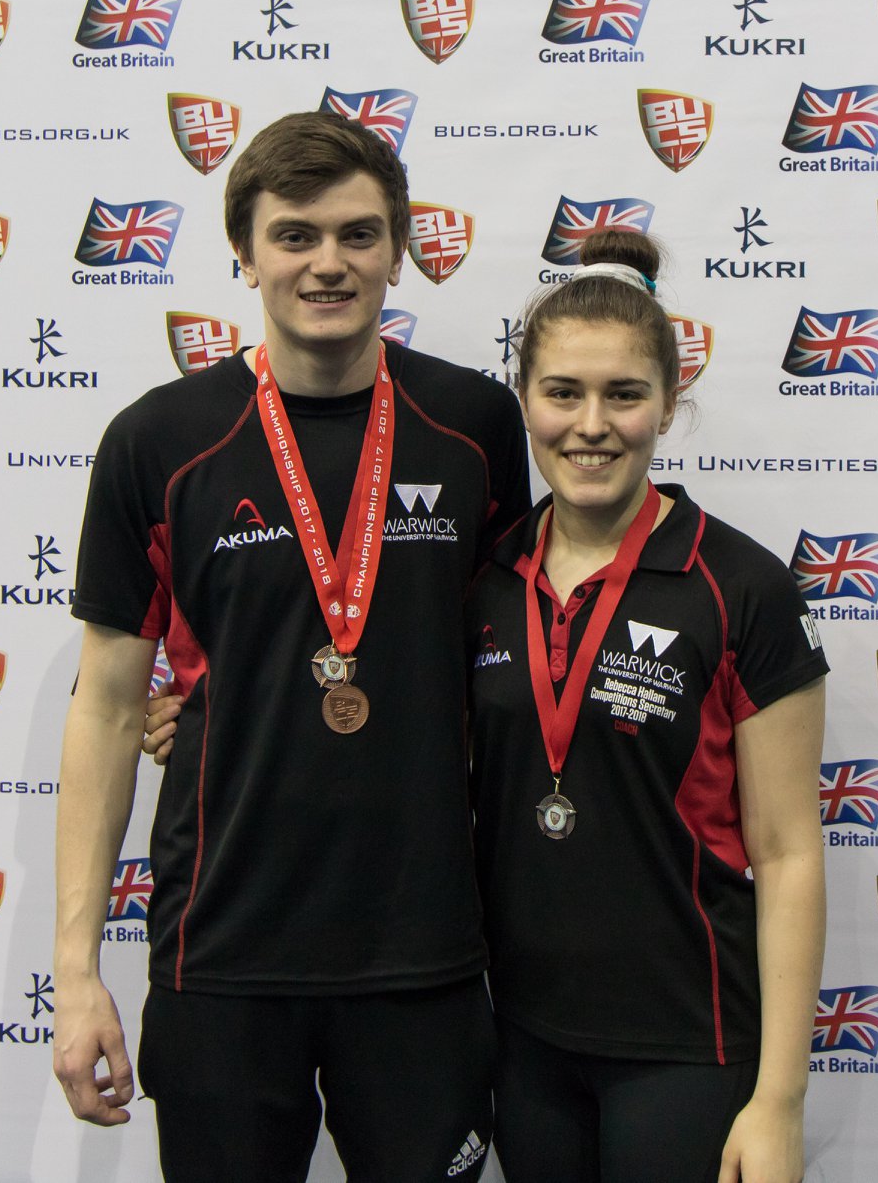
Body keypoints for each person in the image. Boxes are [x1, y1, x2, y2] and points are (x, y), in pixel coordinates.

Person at [53, 110, 530, 1182]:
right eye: (296, 235)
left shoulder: (475, 424)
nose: (330, 264)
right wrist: (76, 973)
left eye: (359, 235)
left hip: (425, 953)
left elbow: (512, 656)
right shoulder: (160, 441)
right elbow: (105, 708)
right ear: (245, 251)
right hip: (223, 951)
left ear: (399, 248)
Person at [466, 230, 827, 1183]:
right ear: (525, 403)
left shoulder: (738, 587)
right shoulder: (487, 575)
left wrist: (778, 1099)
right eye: (563, 393)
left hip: (686, 1044)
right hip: (524, 1040)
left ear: (669, 403)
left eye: (624, 394)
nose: (592, 424)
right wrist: (193, 713)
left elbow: (788, 854)